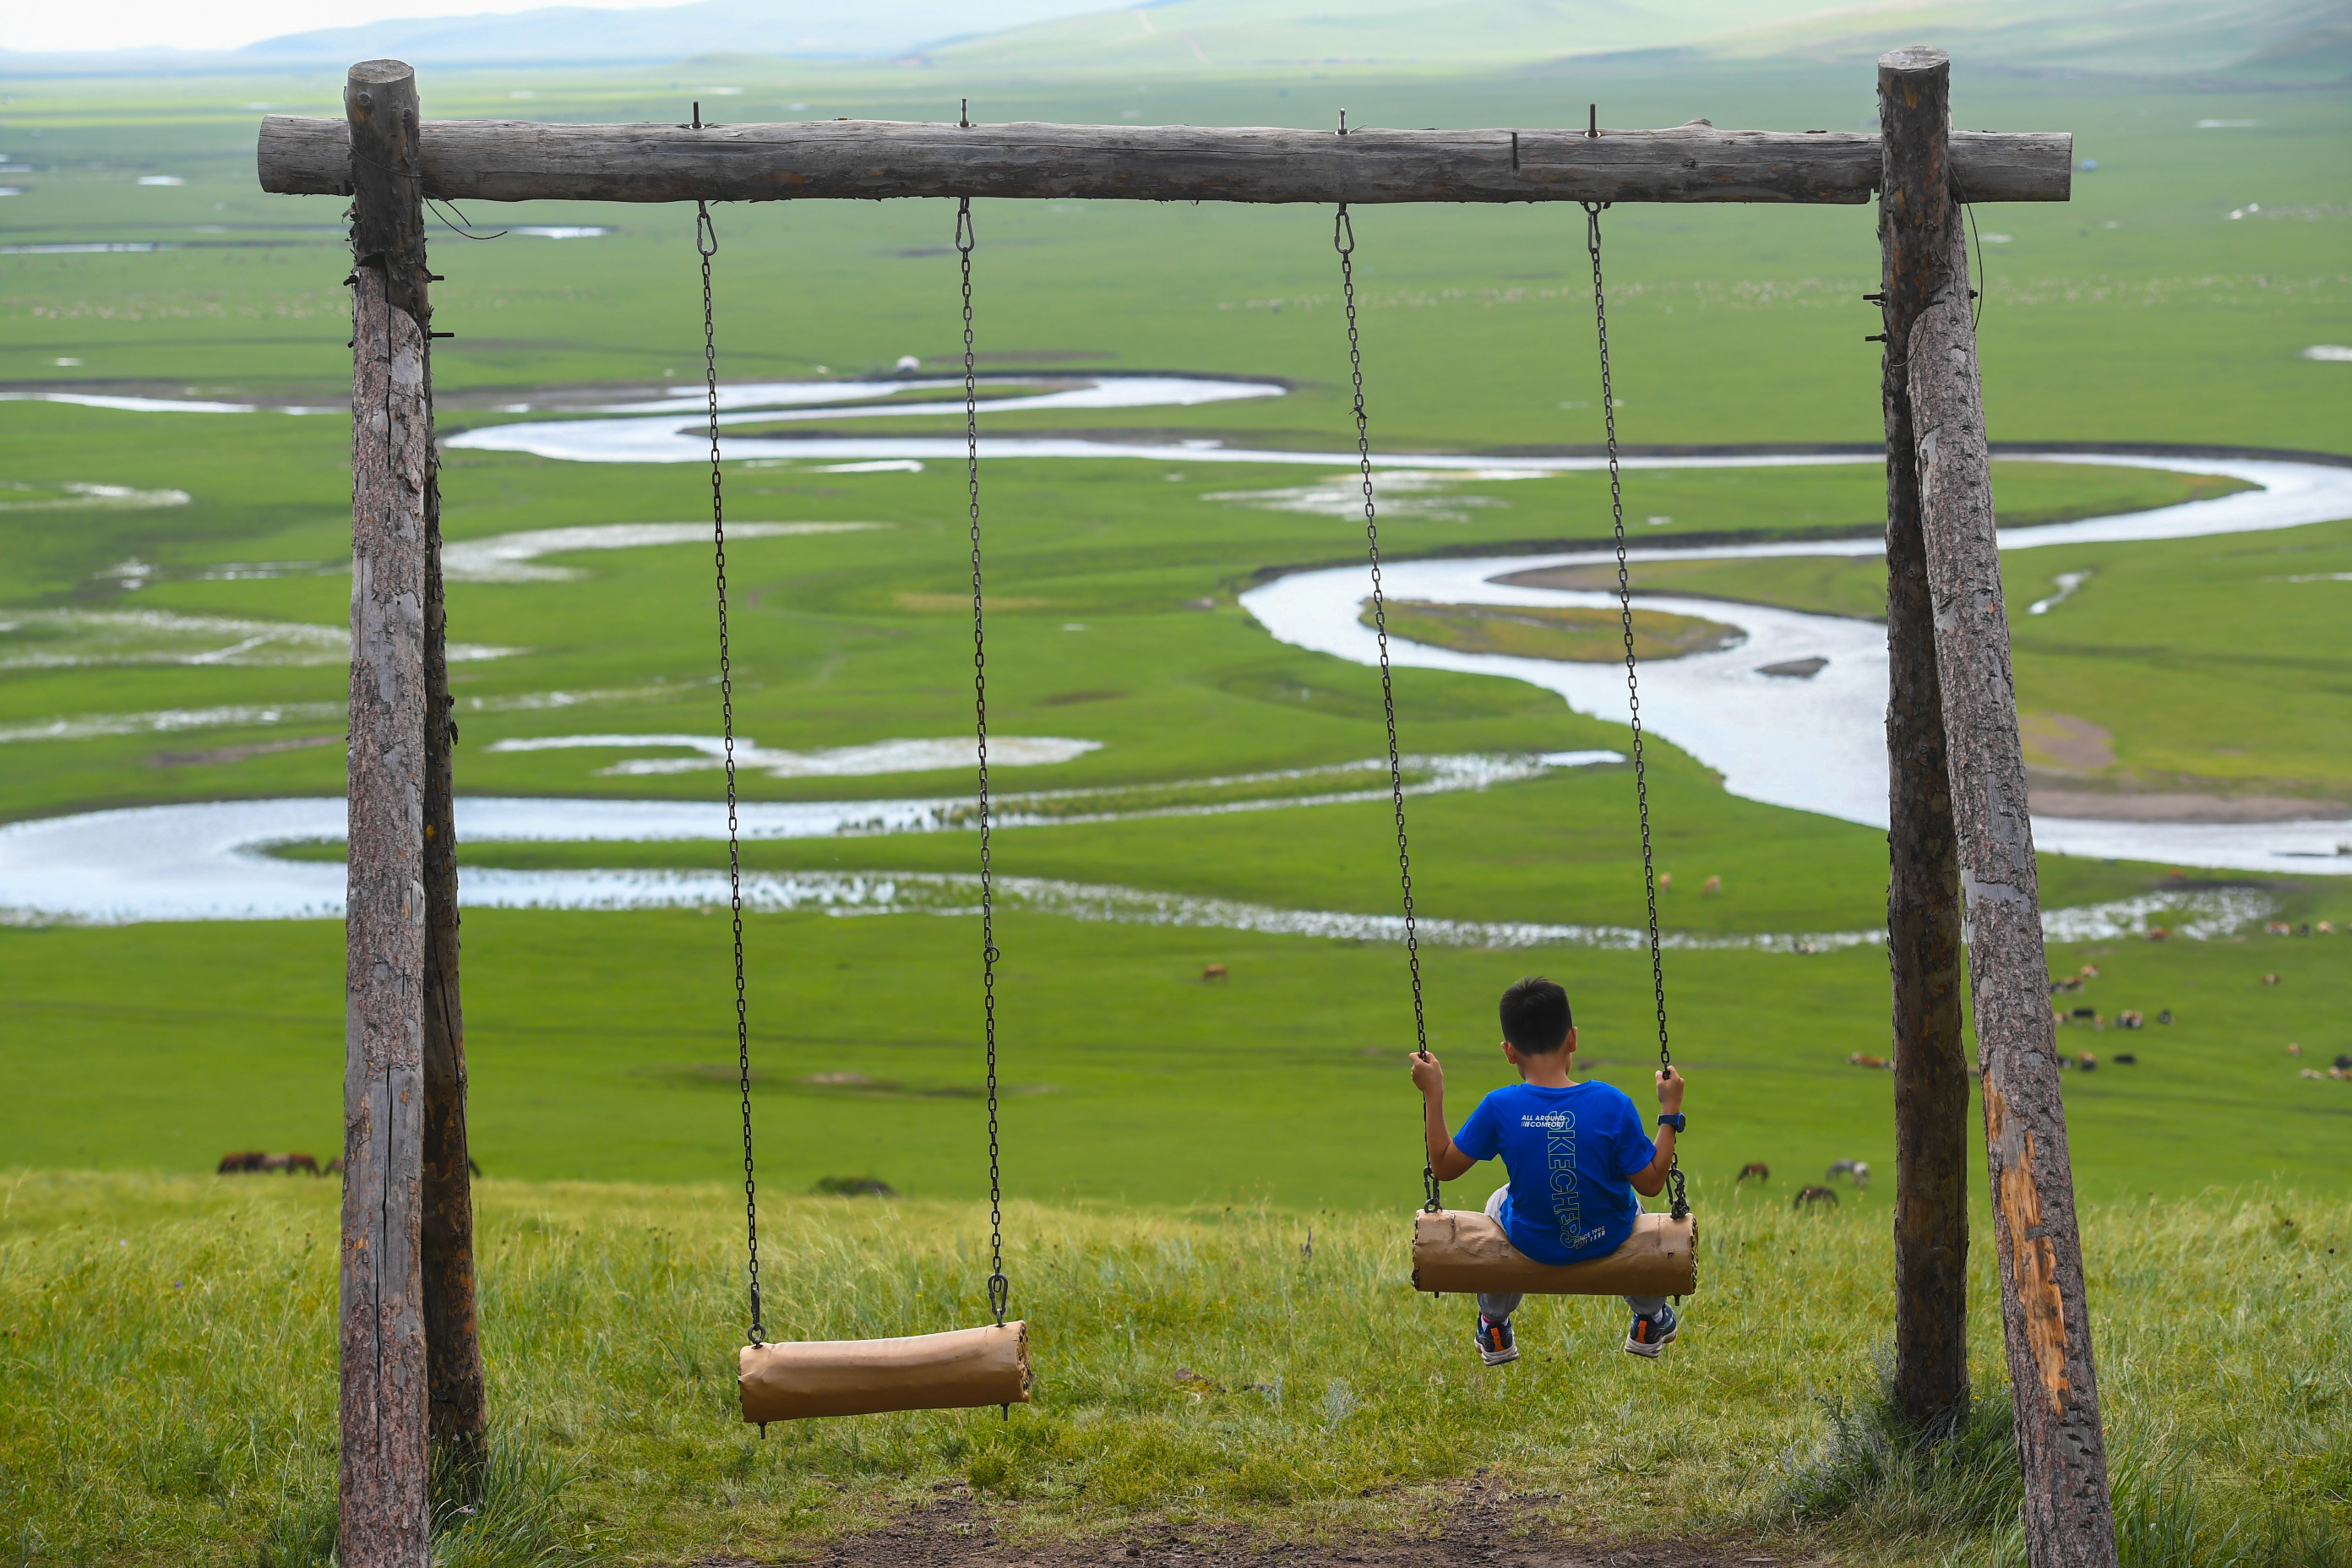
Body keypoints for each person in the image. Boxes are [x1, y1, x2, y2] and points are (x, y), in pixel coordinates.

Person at [1407, 975, 1686, 1364]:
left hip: (1532, 1242)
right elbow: (1654, 1182)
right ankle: (1649, 1317)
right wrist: (1669, 1111)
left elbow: (1443, 1166)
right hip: (1606, 1237)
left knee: (1498, 1200)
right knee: (1635, 1205)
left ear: (1509, 1052)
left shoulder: (1499, 1106)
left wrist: (1433, 1093)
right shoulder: (1612, 1103)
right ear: (1573, 1039)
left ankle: (1493, 1323)